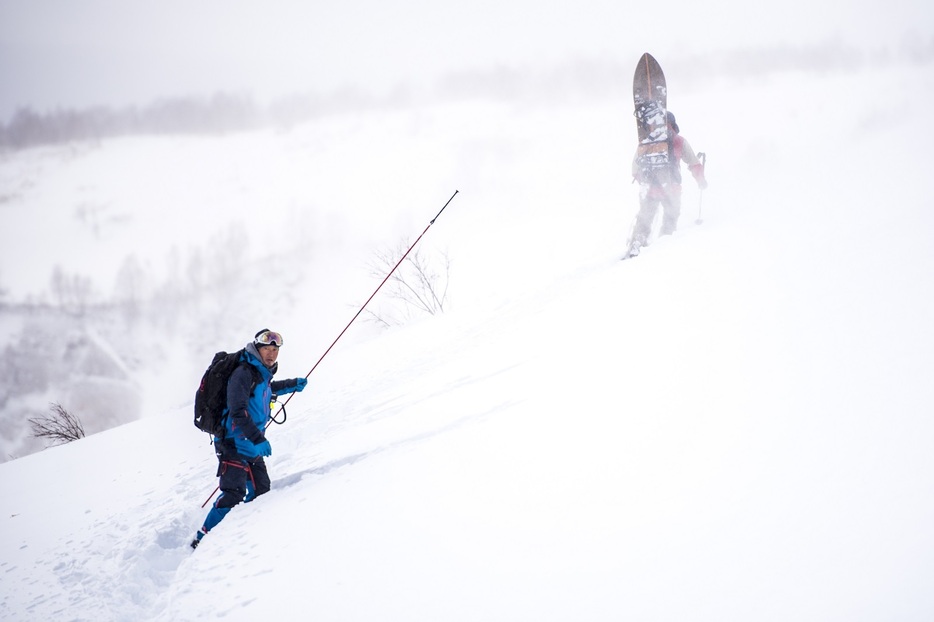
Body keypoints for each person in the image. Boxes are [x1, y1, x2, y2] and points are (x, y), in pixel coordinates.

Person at [191, 328, 307, 549]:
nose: (271, 354)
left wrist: (293, 384)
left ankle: (247, 537)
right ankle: (202, 539)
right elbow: (238, 411)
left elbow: (267, 389)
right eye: (267, 349)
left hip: (250, 444)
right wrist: (258, 439)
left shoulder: (261, 372)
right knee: (233, 492)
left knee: (261, 490)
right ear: (257, 348)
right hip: (233, 442)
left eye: (275, 349)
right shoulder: (244, 372)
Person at [628, 110, 707, 256]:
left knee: (644, 219)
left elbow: (635, 169)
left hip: (650, 189)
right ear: (673, 124)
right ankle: (663, 247)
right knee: (670, 219)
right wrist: (701, 180)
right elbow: (694, 163)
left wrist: (645, 182)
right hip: (672, 189)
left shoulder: (646, 141)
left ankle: (637, 243)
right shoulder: (679, 141)